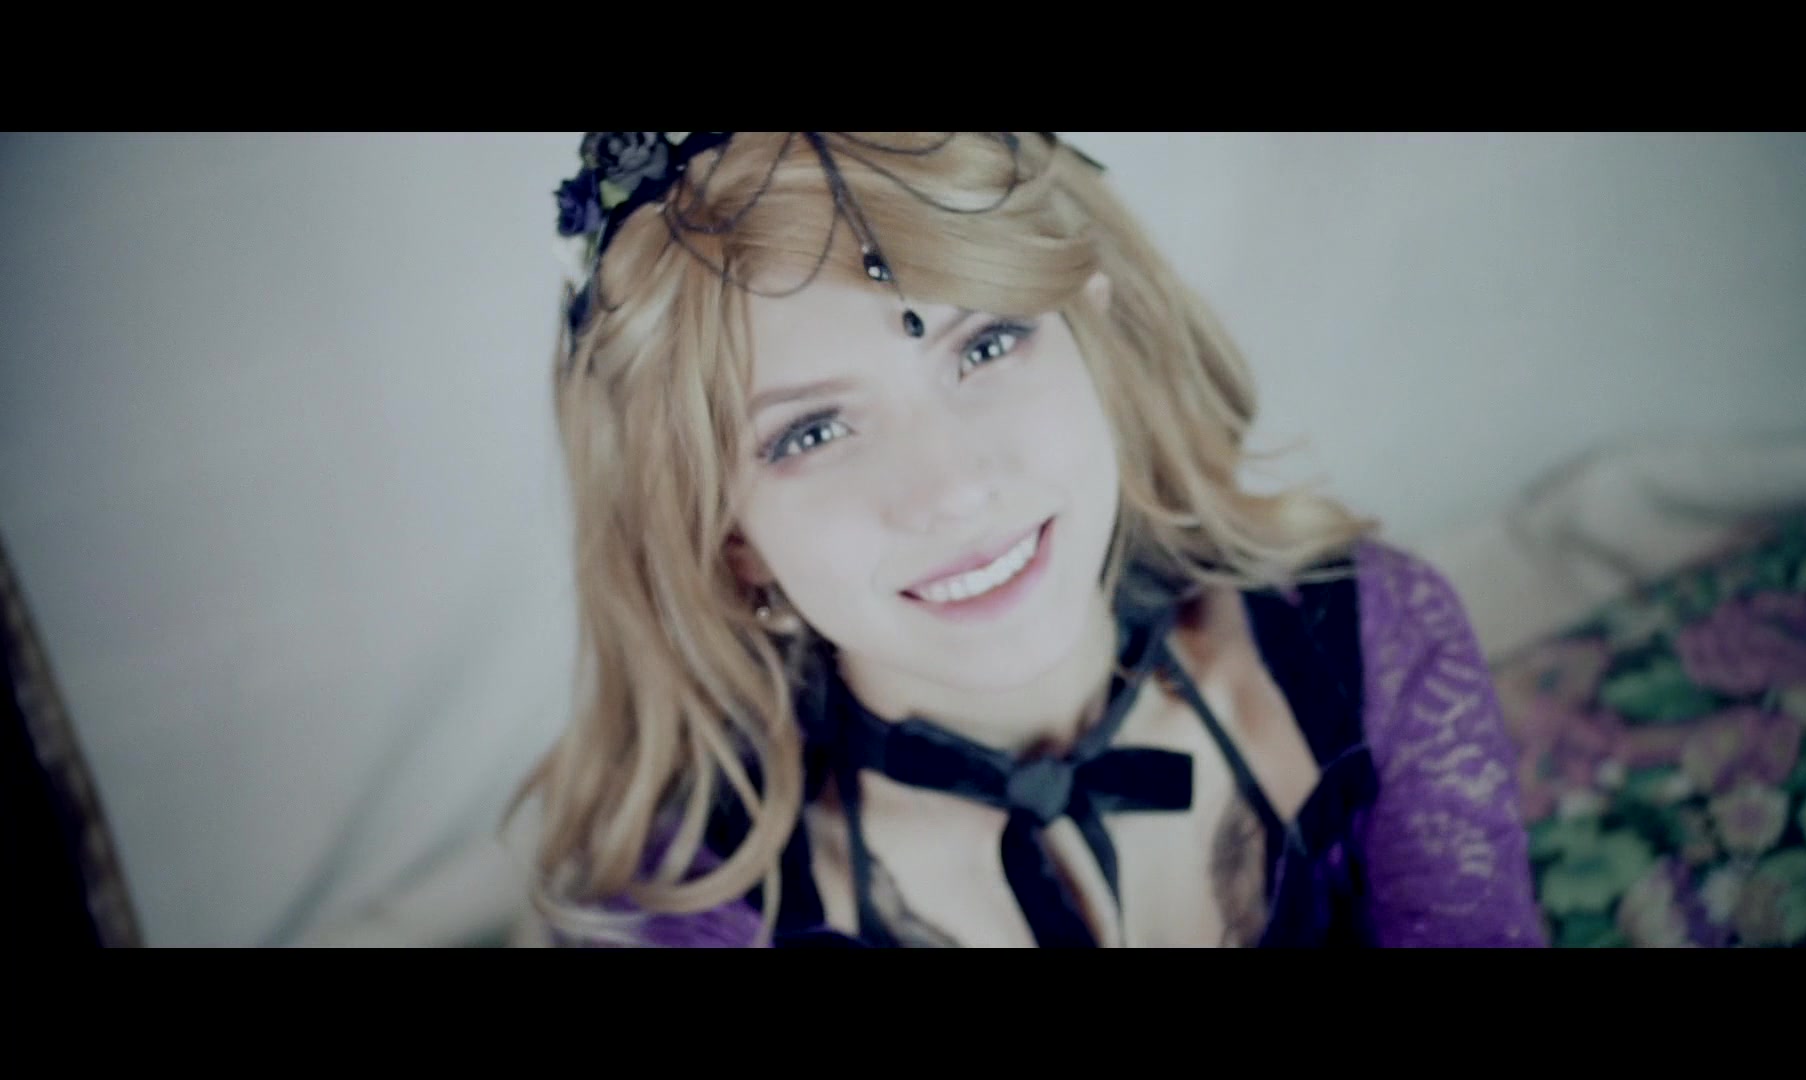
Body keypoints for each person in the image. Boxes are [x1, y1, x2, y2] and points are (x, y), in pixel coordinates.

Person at [516, 131, 1544, 947]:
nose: (954, 490)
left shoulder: (1372, 641)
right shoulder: (687, 914)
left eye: (988, 344)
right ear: (728, 537)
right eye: (813, 433)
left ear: (1095, 341)